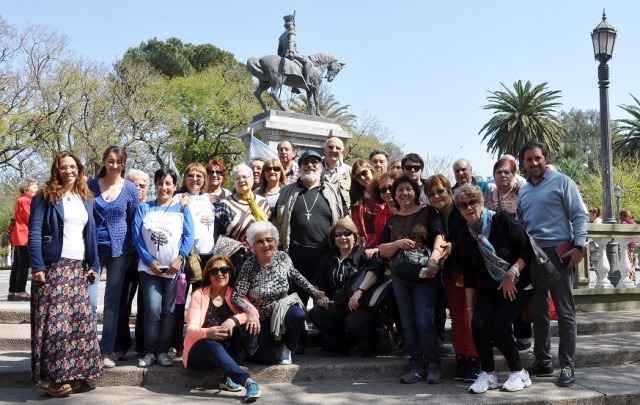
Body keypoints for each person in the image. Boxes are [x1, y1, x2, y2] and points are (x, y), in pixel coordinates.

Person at [28, 151, 103, 397]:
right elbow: (35, 232)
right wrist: (37, 266)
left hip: (78, 269)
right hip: (55, 267)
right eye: (63, 167)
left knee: (76, 324)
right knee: (55, 326)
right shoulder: (44, 196)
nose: (68, 171)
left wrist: (95, 263)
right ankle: (50, 380)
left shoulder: (86, 197)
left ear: (79, 169)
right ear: (56, 170)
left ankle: (73, 374)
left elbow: (90, 235)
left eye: (72, 167)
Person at [516, 141, 588, 387]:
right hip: (535, 256)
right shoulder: (524, 190)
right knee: (538, 312)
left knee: (566, 312)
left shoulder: (562, 181)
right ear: (523, 162)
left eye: (537, 158)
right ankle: (542, 360)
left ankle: (567, 364)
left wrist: (579, 247)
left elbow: (579, 215)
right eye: (528, 159)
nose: (533, 163)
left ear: (545, 158)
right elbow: (521, 224)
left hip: (560, 254)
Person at [454, 184, 535, 394]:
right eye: (463, 205)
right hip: (490, 286)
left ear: (481, 202)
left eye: (473, 202)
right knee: (479, 324)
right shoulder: (466, 235)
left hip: (519, 283)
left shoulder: (501, 220)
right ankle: (488, 374)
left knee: (499, 327)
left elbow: (527, 248)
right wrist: (470, 310)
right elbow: (470, 275)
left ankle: (520, 372)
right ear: (460, 210)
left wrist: (512, 273)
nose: (469, 208)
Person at [378, 175, 445, 385]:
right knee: (407, 324)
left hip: (425, 276)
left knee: (425, 322)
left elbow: (440, 237)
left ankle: (434, 365)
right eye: (400, 190)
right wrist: (398, 242)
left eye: (408, 189)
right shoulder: (392, 220)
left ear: (416, 192)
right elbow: (382, 250)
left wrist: (434, 260)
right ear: (395, 195)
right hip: (400, 279)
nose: (404, 193)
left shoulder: (428, 213)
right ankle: (416, 365)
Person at [232, 221, 325, 365]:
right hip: (260, 316)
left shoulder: (283, 258)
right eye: (260, 242)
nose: (266, 245)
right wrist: (250, 310)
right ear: (253, 245)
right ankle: (264, 344)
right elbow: (237, 295)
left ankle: (286, 347)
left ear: (275, 241)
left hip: (281, 309)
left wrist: (314, 292)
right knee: (267, 359)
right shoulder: (249, 265)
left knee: (299, 314)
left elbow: (296, 276)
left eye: (269, 240)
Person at [132, 168, 195, 368]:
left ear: (175, 186)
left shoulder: (182, 209)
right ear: (155, 186)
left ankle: (163, 351)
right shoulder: (144, 208)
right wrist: (149, 260)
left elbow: (188, 236)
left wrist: (180, 259)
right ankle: (150, 351)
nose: (164, 187)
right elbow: (137, 236)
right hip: (149, 269)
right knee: (152, 310)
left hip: (174, 270)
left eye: (168, 183)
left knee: (168, 311)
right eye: (160, 183)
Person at [87, 146, 140, 368]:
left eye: (119, 161)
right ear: (104, 161)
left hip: (120, 250)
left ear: (124, 163)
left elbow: (134, 220)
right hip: (92, 249)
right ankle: (87, 349)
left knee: (111, 304)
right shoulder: (89, 186)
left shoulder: (129, 189)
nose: (114, 165)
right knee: (88, 301)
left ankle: (106, 350)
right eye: (110, 160)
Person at [274, 150, 347, 309]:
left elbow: (345, 221)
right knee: (293, 307)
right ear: (299, 168)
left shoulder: (333, 191)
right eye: (305, 163)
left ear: (321, 166)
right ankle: (297, 334)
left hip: (325, 257)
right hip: (294, 258)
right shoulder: (287, 191)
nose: (310, 166)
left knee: (324, 307)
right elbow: (275, 222)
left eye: (314, 162)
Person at [424, 174, 479, 382]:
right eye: (431, 194)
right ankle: (461, 358)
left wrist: (454, 246)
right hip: (450, 275)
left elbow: (474, 237)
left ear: (449, 190)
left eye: (440, 191)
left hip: (470, 273)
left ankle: (474, 359)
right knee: (456, 320)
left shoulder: (462, 209)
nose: (437, 196)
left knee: (469, 318)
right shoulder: (433, 215)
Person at [183, 255, 261, 403]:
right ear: (209, 275)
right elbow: (191, 329)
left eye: (224, 270)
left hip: (227, 349)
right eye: (214, 271)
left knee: (253, 327)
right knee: (209, 343)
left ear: (230, 273)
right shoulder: (199, 295)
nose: (220, 274)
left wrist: (233, 320)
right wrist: (208, 332)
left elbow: (252, 313)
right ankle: (248, 382)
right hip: (202, 353)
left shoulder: (235, 294)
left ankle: (227, 376)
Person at [309, 218, 386, 357]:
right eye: (338, 235)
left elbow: (376, 269)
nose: (342, 238)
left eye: (347, 233)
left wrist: (359, 291)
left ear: (355, 236)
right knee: (316, 313)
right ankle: (341, 345)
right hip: (339, 306)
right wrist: (321, 296)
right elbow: (316, 282)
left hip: (362, 306)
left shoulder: (365, 254)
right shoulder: (328, 258)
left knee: (354, 321)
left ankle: (369, 346)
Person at [483, 157, 532, 355]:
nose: (502, 176)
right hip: (494, 256)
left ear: (514, 174)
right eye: (499, 172)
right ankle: (502, 335)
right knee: (500, 294)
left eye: (507, 172)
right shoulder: (488, 196)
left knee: (518, 295)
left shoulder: (522, 193)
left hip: (519, 253)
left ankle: (523, 339)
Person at [170, 162, 217, 357]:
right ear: (185, 178)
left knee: (201, 303)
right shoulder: (178, 198)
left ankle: (197, 339)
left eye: (199, 175)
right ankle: (175, 343)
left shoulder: (211, 199)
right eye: (191, 175)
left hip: (207, 257)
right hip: (187, 257)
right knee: (179, 301)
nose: (195, 179)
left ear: (204, 179)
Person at [113, 169, 150, 359]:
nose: (138, 189)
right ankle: (120, 345)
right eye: (134, 185)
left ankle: (143, 345)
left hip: (146, 265)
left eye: (142, 186)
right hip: (125, 264)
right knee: (122, 308)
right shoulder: (121, 208)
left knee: (145, 308)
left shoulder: (151, 209)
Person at [215, 164, 270, 249]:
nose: (241, 180)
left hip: (262, 254)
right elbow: (217, 235)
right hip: (235, 257)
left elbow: (271, 230)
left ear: (252, 179)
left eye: (244, 177)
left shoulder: (263, 202)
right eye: (237, 178)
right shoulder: (225, 204)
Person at [8, 178, 37, 301]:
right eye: (34, 187)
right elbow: (30, 218)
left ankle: (13, 290)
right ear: (27, 188)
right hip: (24, 235)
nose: (36, 189)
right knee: (23, 265)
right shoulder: (26, 200)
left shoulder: (21, 199)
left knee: (17, 265)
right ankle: (20, 290)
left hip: (19, 236)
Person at [349, 160, 384, 249]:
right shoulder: (355, 195)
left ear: (371, 170)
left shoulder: (383, 189)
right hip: (365, 242)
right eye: (358, 176)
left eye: (364, 173)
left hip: (384, 238)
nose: (362, 178)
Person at [277, 14, 311, 90]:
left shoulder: (281, 36)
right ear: (292, 24)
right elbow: (291, 42)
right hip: (291, 53)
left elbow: (279, 51)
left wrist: (282, 55)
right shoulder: (292, 32)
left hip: (283, 55)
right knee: (307, 62)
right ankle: (307, 81)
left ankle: (294, 86)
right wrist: (291, 52)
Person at [322, 137, 351, 208]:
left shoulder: (349, 171)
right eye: (330, 147)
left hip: (342, 216)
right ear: (324, 150)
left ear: (342, 152)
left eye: (338, 148)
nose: (334, 150)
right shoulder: (315, 170)